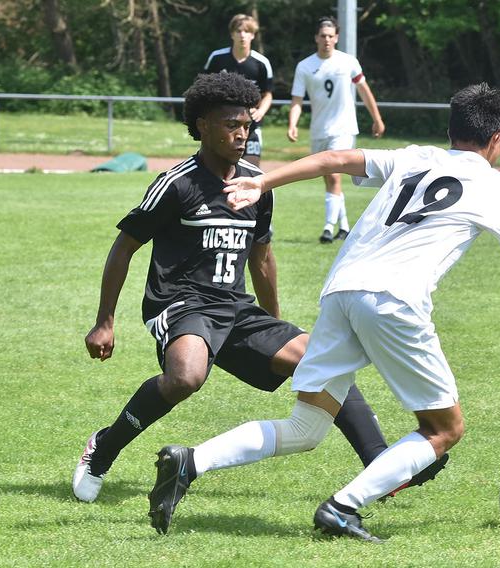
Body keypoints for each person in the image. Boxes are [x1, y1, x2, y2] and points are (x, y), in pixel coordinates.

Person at [147, 83, 500, 541]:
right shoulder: (496, 187)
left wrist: (261, 180)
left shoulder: (416, 156)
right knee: (444, 429)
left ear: (451, 129)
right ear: (498, 139)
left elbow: (331, 160)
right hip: (394, 301)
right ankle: (344, 507)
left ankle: (191, 460)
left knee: (306, 426)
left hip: (341, 292)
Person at [72, 72, 436, 506]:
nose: (241, 133)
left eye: (246, 125)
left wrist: (275, 323)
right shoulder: (178, 184)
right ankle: (102, 451)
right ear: (202, 125)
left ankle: (378, 462)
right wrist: (104, 322)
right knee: (186, 377)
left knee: (320, 358)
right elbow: (124, 246)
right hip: (182, 303)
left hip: (236, 308)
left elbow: (262, 258)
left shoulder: (256, 184)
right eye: (230, 124)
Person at [287, 16, 385, 244]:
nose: (327, 40)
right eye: (323, 36)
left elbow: (364, 90)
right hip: (318, 130)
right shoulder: (305, 66)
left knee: (333, 175)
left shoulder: (348, 62)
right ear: (316, 38)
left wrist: (377, 118)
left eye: (331, 36)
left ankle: (328, 229)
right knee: (329, 179)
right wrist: (292, 123)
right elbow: (297, 101)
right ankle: (344, 227)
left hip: (343, 129)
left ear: (337, 38)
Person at [203, 13, 273, 167]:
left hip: (252, 127)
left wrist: (261, 111)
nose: (242, 35)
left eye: (247, 31)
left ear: (253, 35)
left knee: (252, 171)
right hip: (221, 126)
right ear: (232, 34)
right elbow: (204, 89)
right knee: (218, 170)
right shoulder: (217, 58)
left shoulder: (261, 63)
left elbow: (267, 95)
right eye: (238, 31)